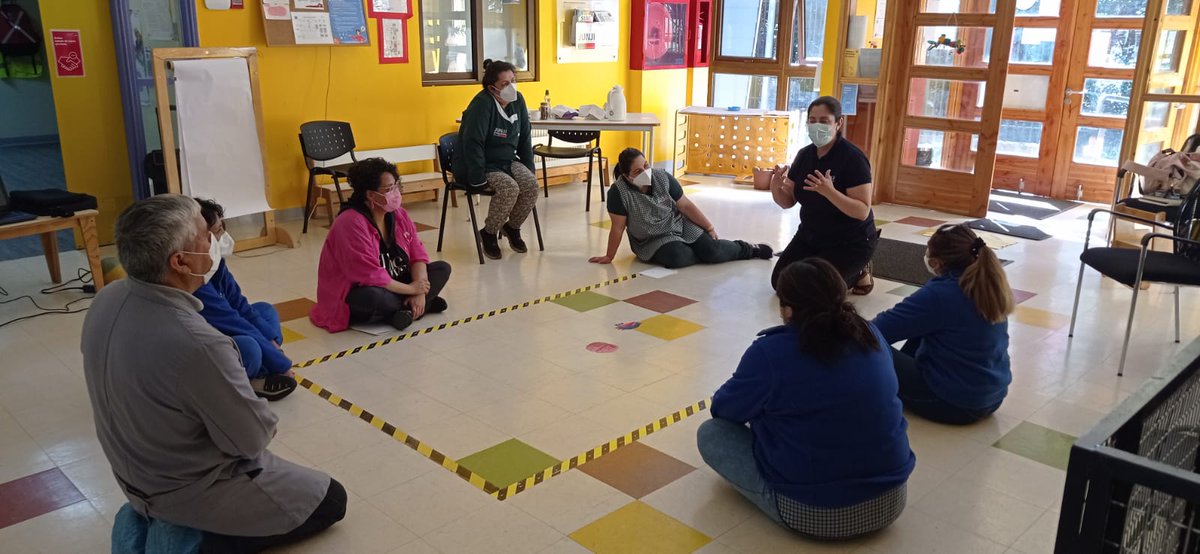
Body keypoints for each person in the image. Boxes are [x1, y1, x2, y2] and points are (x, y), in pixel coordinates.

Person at [81, 194, 346, 552]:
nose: (214, 240)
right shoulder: (199, 343)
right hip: (188, 487)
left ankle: (149, 518)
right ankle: (186, 538)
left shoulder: (107, 298)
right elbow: (252, 440)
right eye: (205, 235)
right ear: (180, 262)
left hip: (134, 474)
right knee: (330, 498)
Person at [698, 258, 914, 539]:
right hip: (891, 499)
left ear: (787, 310)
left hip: (813, 514)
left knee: (712, 434)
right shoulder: (869, 333)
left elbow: (724, 410)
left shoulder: (770, 352)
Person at [872, 223, 1014, 425]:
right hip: (991, 397)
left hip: (952, 404)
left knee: (866, 343)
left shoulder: (940, 294)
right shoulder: (988, 284)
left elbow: (877, 330)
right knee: (921, 325)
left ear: (936, 263)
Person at [311, 157, 451, 333]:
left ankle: (406, 310)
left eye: (396, 186)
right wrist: (411, 289)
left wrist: (419, 291)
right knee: (373, 297)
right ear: (371, 194)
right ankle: (418, 307)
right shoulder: (350, 222)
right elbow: (370, 275)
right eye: (389, 189)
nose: (395, 193)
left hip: (394, 284)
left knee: (442, 268)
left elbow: (418, 254)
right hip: (360, 291)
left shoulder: (399, 214)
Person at [588, 148, 774, 268]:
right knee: (677, 257)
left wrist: (709, 227)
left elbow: (685, 205)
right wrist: (609, 256)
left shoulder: (663, 177)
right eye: (638, 171)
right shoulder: (618, 192)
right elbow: (618, 228)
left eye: (646, 166)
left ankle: (748, 249)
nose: (645, 172)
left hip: (679, 224)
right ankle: (702, 253)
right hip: (651, 239)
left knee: (712, 250)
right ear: (627, 176)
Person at [770, 96, 879, 295]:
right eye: (812, 121)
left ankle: (859, 271)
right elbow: (787, 202)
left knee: (818, 291)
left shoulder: (853, 158)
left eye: (824, 121)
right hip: (811, 235)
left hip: (849, 241)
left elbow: (862, 211)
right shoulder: (804, 155)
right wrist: (775, 188)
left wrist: (830, 192)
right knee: (781, 283)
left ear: (838, 123)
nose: (817, 126)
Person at [193, 199, 297, 401]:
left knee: (265, 310)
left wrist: (272, 345)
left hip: (227, 327)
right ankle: (255, 378)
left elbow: (239, 304)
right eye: (218, 230)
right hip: (210, 340)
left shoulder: (216, 263)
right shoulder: (195, 280)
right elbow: (233, 321)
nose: (223, 236)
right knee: (249, 347)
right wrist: (281, 362)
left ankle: (263, 369)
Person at [452, 58, 539, 260]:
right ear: (492, 88)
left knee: (531, 186)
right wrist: (477, 178)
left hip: (507, 161)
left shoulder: (518, 101)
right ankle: (489, 233)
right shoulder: (481, 105)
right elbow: (473, 143)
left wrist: (529, 168)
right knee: (510, 188)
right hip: (482, 164)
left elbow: (525, 138)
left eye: (513, 81)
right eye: (505, 84)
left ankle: (512, 227)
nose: (511, 87)